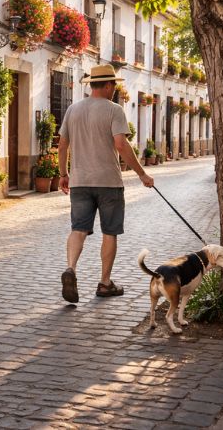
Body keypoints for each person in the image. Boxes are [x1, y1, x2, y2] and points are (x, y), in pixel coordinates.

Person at [57, 64, 154, 303]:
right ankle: (105, 283)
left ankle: (71, 268)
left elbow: (62, 145)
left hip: (79, 181)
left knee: (78, 228)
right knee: (109, 232)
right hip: (109, 182)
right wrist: (142, 174)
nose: (115, 89)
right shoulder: (114, 110)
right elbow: (121, 145)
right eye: (114, 85)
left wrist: (63, 174)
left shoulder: (73, 110)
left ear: (92, 84)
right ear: (109, 84)